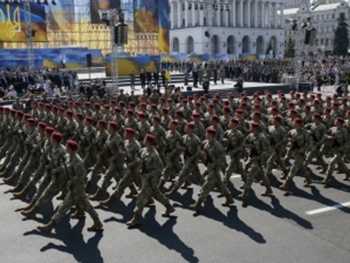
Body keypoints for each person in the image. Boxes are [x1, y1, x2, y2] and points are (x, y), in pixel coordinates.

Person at [36, 140, 103, 233]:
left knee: (63, 206)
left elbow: (81, 175)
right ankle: (97, 221)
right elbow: (65, 168)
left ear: (71, 149)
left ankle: (50, 225)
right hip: (74, 187)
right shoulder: (68, 157)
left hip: (76, 187)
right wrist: (57, 170)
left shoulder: (77, 161)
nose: (65, 147)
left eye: (67, 146)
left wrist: (72, 181)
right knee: (87, 205)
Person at [126, 134, 175, 227]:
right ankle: (169, 207)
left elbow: (160, 168)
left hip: (152, 179)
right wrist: (138, 160)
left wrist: (150, 175)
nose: (143, 140)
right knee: (155, 194)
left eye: (145, 139)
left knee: (141, 196)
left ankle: (137, 217)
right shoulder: (144, 150)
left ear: (149, 142)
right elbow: (138, 156)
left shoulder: (154, 154)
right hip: (145, 177)